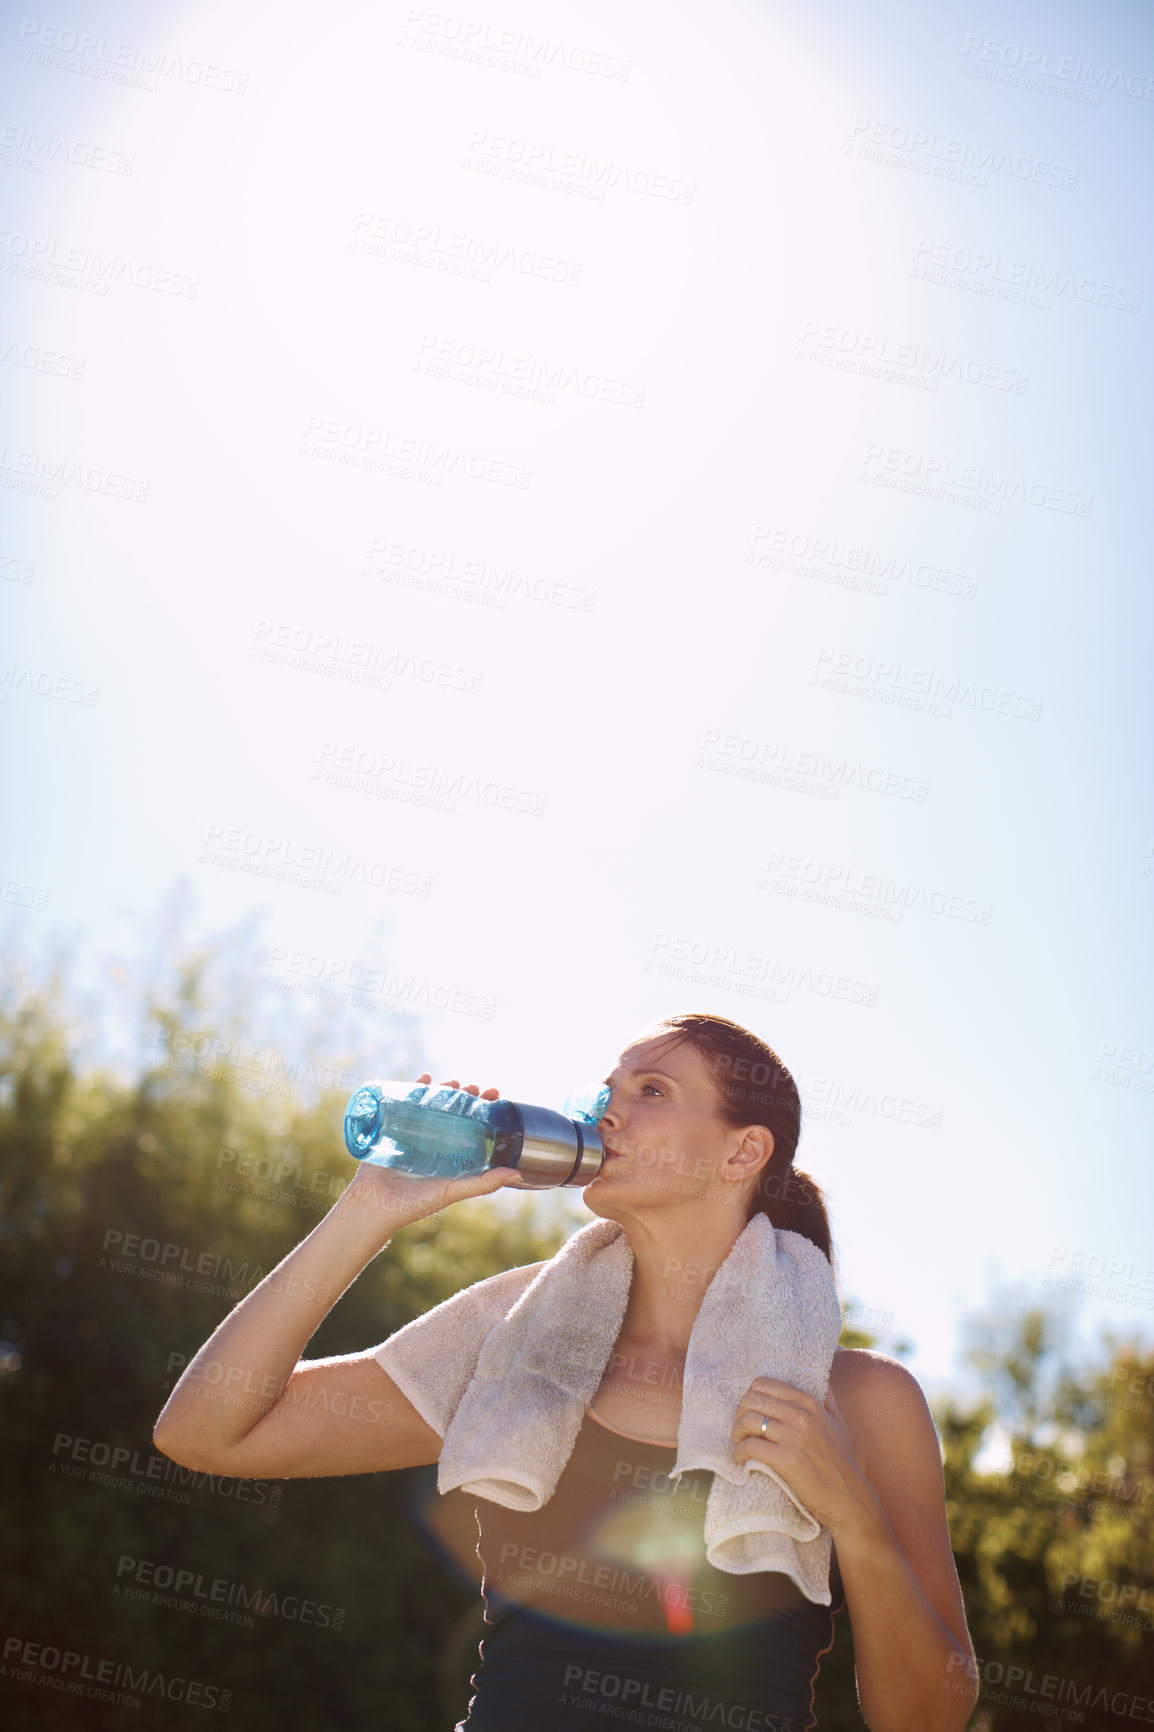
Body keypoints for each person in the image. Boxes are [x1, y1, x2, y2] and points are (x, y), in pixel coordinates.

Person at [154, 1012, 979, 1730]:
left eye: (651, 1090)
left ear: (742, 1154)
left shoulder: (860, 1401)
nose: (606, 1109)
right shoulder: (514, 1338)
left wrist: (855, 1516)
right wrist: (368, 1209)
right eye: (609, 1087)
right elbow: (206, 1432)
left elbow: (929, 1716)